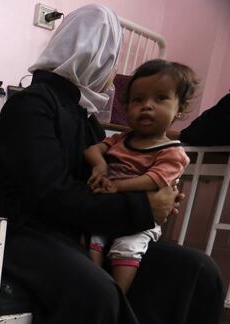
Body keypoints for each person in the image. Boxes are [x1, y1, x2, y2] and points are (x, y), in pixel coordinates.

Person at [0, 4, 222, 324]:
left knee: (198, 271)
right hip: (22, 231)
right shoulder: (32, 105)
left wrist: (151, 205)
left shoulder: (87, 119)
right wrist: (142, 210)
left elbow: (108, 186)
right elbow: (48, 195)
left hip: (80, 229)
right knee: (93, 289)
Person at [84, 60, 199, 293]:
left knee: (127, 247)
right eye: (138, 100)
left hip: (142, 218)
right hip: (110, 209)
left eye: (160, 98)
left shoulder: (172, 151)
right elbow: (92, 150)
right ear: (127, 108)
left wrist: (117, 187)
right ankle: (97, 288)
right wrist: (100, 166)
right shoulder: (120, 139)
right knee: (91, 237)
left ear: (180, 108)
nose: (147, 106)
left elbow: (154, 180)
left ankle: (118, 296)